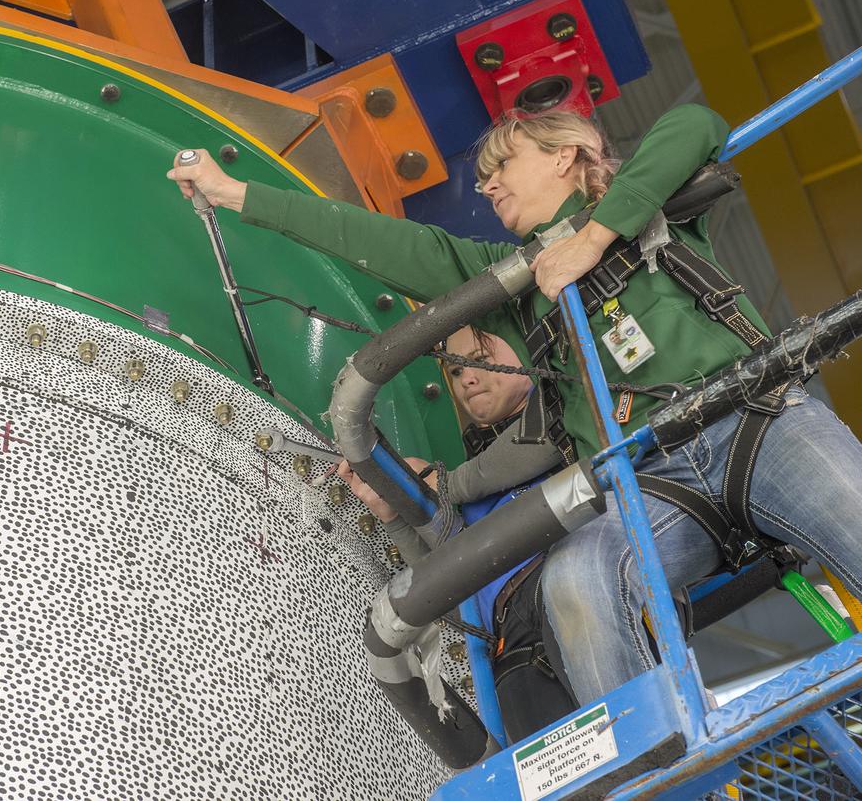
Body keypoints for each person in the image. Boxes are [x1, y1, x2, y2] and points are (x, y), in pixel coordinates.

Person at [166, 104, 862, 708]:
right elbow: (381, 243)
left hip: (755, 422)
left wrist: (591, 239)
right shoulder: (515, 286)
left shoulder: (653, 212)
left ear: (571, 155)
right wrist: (235, 194)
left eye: (505, 163)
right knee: (577, 578)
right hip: (652, 481)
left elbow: (695, 123)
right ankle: (660, 766)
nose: (487, 184)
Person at [340, 325, 576, 743]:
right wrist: (393, 513)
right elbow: (449, 589)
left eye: (479, 362)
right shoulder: (474, 476)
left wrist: (438, 483)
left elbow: (546, 438)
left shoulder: (570, 412)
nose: (466, 379)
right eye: (454, 372)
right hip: (510, 646)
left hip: (568, 594)